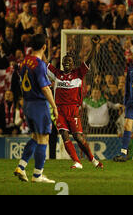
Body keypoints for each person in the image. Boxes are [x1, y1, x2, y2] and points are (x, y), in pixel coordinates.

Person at [47, 35, 103, 169]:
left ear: (73, 64)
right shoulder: (57, 74)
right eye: (64, 61)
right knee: (64, 135)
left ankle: (93, 160)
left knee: (78, 137)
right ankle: (77, 162)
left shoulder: (79, 73)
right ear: (62, 63)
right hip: (59, 110)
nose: (66, 63)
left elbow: (89, 60)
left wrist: (94, 46)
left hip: (73, 109)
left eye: (69, 61)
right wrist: (42, 50)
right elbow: (45, 63)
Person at [14, 33, 58, 183]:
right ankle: (37, 175)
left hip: (27, 104)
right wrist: (54, 106)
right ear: (44, 47)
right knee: (44, 138)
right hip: (39, 105)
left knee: (35, 136)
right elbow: (45, 88)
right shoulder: (39, 65)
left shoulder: (24, 62)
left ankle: (21, 166)